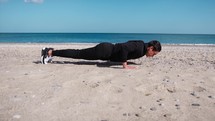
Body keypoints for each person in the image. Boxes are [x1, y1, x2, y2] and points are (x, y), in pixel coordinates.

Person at [41, 40, 161, 69]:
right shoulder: (140, 47)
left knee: (78, 54)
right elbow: (124, 47)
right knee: (78, 54)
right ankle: (50, 52)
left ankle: (51, 51)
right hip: (104, 51)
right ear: (150, 48)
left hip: (106, 51)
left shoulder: (142, 47)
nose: (152, 56)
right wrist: (125, 65)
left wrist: (126, 60)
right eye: (153, 53)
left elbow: (126, 50)